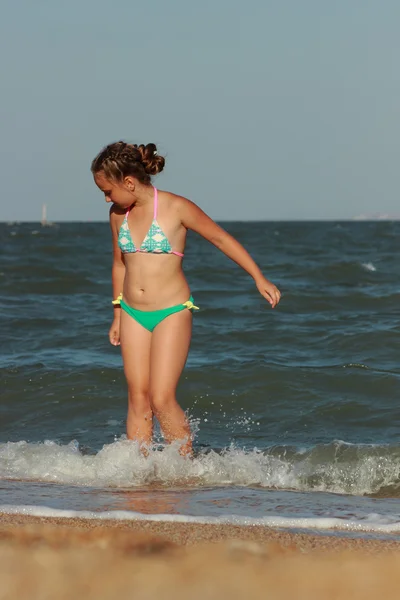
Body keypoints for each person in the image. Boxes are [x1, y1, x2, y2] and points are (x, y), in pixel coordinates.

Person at [91, 141, 281, 456]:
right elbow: (118, 264)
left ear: (129, 182)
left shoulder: (176, 208)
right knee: (138, 396)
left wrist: (258, 276)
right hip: (132, 312)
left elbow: (220, 237)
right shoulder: (117, 215)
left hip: (171, 311)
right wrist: (117, 313)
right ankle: (139, 473)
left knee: (161, 397)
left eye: (107, 190)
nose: (106, 198)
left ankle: (183, 467)